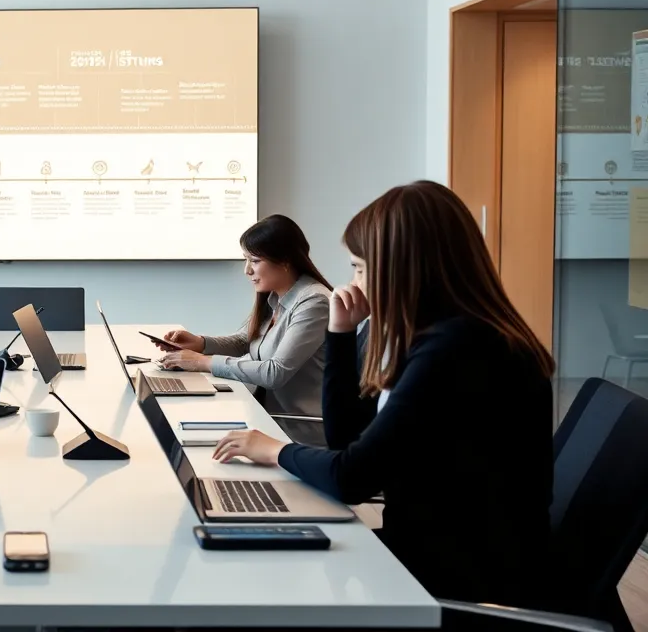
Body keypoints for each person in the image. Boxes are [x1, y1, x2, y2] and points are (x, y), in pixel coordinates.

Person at [211, 181, 554, 609]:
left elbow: (352, 478)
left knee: (253, 587)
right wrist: (340, 335)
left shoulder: (458, 348)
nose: (351, 282)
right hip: (426, 549)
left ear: (402, 267)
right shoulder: (421, 333)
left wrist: (272, 450)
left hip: (458, 579)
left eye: (359, 268)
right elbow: (346, 440)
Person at [152, 215, 333, 423]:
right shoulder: (276, 296)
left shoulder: (315, 302)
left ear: (285, 260)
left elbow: (275, 372)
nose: (247, 270)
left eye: (255, 261)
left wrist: (203, 362)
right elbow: (243, 341)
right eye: (246, 260)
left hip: (296, 428)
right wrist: (201, 343)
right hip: (262, 414)